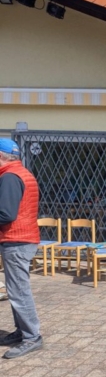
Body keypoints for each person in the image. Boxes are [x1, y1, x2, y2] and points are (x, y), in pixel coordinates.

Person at [0, 139, 44, 359]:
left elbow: (6, 214)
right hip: (23, 238)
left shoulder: (9, 177)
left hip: (17, 240)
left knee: (18, 291)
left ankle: (32, 337)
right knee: (16, 289)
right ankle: (22, 331)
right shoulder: (22, 172)